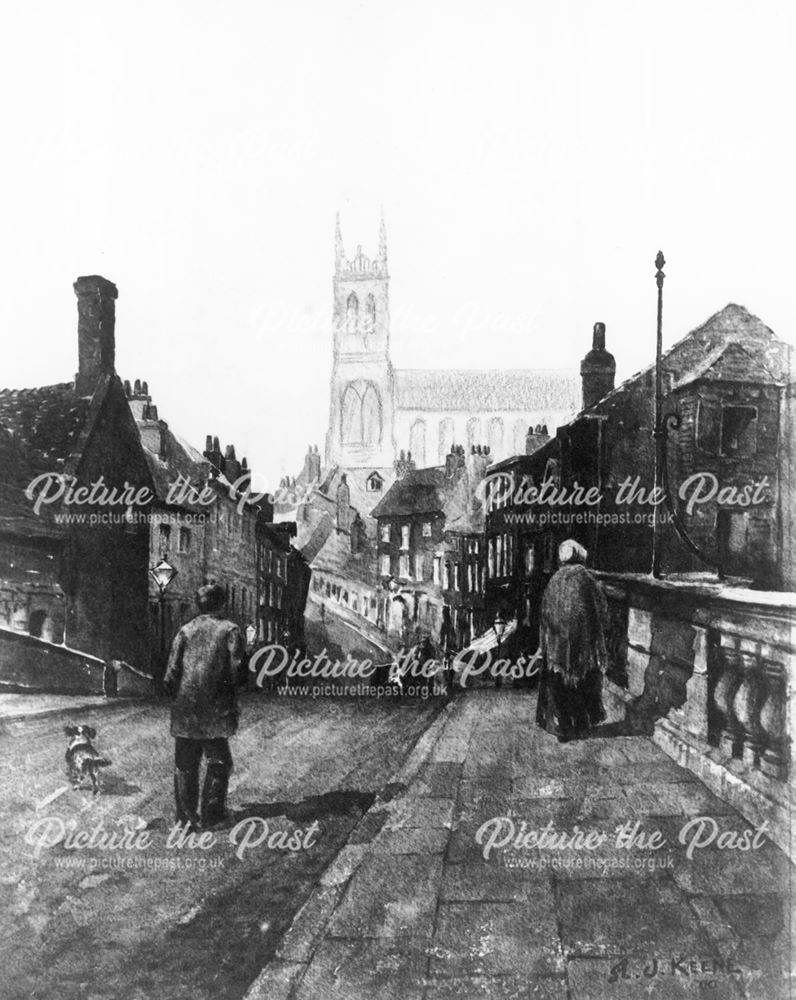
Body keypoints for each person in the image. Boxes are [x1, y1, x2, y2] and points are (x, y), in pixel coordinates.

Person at [163, 579, 248, 830]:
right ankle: (213, 815)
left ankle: (186, 819)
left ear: (198, 605)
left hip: (185, 709)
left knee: (185, 765)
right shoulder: (230, 630)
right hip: (215, 709)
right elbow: (238, 672)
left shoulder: (184, 631)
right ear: (222, 603)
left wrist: (179, 696)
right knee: (219, 761)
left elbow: (171, 674)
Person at [536, 539, 608, 742]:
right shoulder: (586, 578)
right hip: (581, 644)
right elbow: (601, 609)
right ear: (580, 555)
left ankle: (563, 727)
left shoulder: (555, 579)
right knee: (583, 683)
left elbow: (545, 613)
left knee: (560, 686)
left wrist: (547, 641)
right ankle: (582, 725)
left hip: (557, 644)